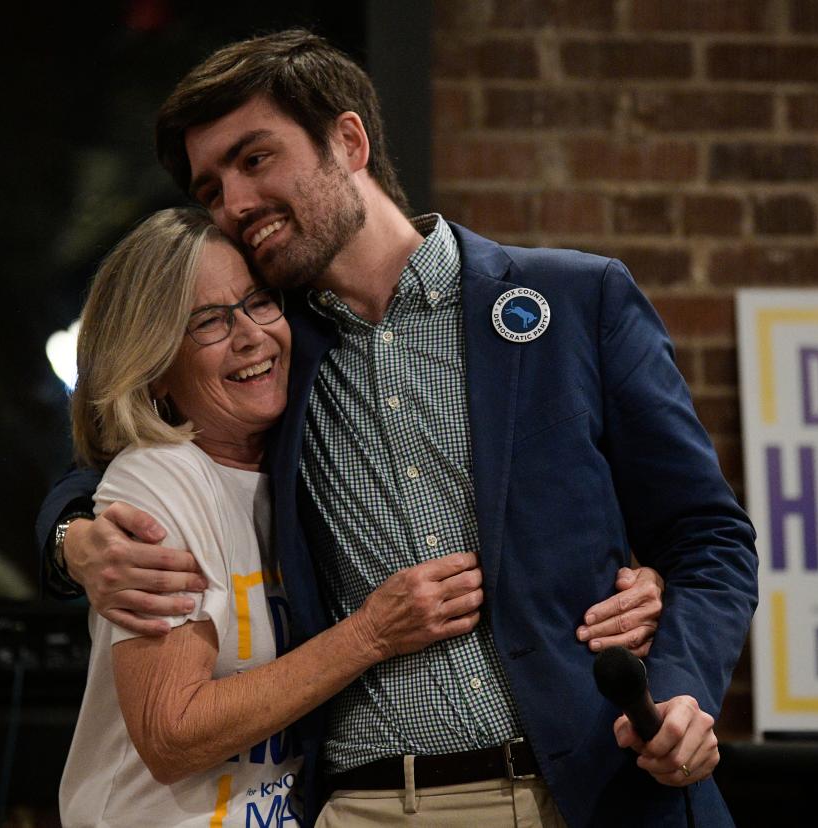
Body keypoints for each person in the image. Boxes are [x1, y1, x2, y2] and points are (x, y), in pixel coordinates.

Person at [39, 29, 758, 827]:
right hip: (374, 805)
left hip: (603, 791)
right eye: (210, 190)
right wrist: (72, 537)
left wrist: (685, 685)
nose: (234, 204)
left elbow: (708, 538)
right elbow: (126, 453)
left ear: (349, 140)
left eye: (254, 159)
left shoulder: (575, 301)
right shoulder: (273, 353)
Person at [58, 205, 497, 825]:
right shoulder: (159, 482)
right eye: (209, 321)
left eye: (260, 302)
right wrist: (370, 635)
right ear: (154, 368)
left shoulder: (293, 466)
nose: (250, 336)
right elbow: (172, 734)